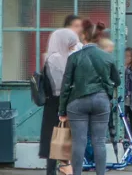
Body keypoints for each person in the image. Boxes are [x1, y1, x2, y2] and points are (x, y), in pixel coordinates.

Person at [59, 21, 120, 175]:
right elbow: (117, 81)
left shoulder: (74, 57)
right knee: (99, 141)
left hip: (77, 102)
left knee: (79, 142)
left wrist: (62, 110)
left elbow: (66, 86)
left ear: (84, 36)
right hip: (101, 101)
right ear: (99, 38)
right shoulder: (108, 57)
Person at [39, 29, 81, 175]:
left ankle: (60, 168)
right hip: (57, 103)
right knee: (56, 138)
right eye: (70, 40)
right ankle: (56, 170)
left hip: (58, 103)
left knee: (59, 138)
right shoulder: (56, 58)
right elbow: (60, 86)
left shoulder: (60, 56)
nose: (73, 44)